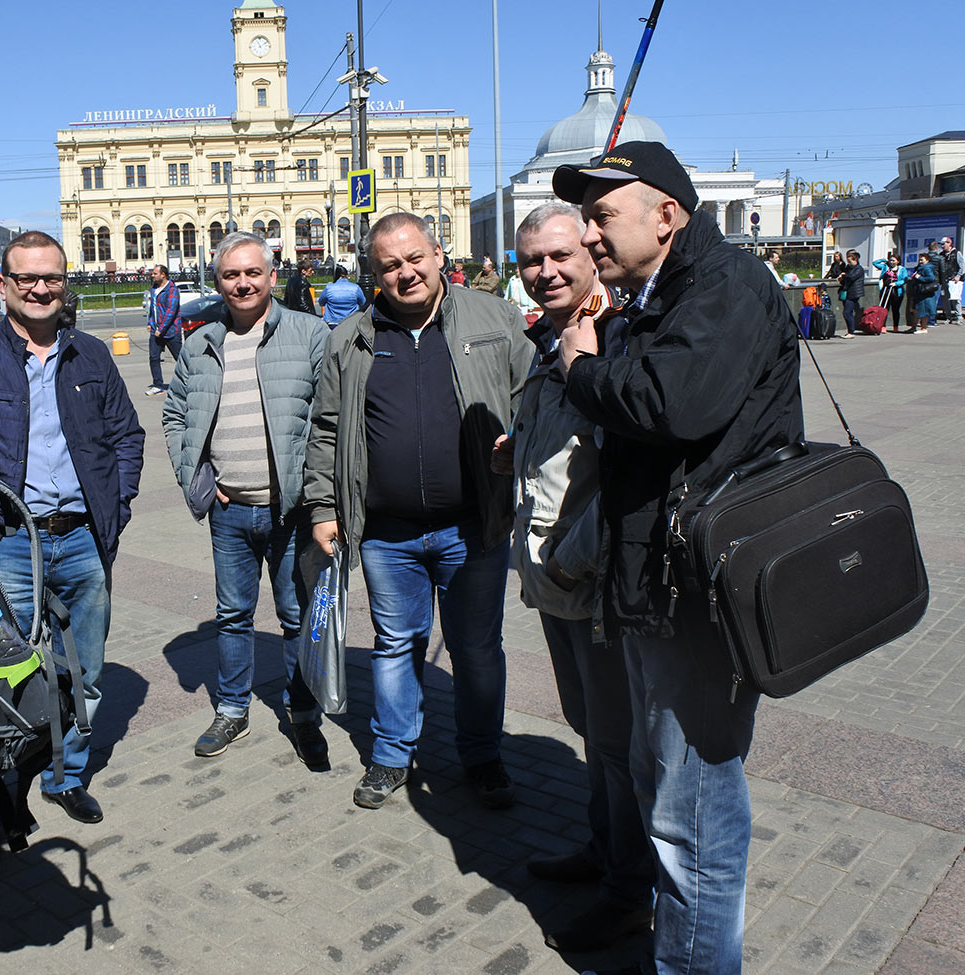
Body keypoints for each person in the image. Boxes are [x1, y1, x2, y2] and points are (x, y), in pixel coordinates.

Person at [552, 140, 803, 974]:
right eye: (585, 217)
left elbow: (669, 404)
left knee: (692, 815)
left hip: (699, 594)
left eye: (600, 216)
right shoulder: (661, 293)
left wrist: (584, 367)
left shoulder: (725, 284)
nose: (589, 236)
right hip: (660, 583)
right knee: (669, 790)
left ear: (666, 215)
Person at [0, 230, 144, 873]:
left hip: (82, 539)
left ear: (64, 281)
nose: (41, 289)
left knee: (82, 671)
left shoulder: (92, 355)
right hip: (5, 543)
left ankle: (65, 777)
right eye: (27, 279)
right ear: (5, 285)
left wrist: (117, 505)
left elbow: (127, 436)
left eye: (51, 278)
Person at [303, 212, 531, 810]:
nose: (405, 274)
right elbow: (326, 430)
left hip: (472, 526)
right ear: (372, 274)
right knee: (395, 644)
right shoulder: (350, 337)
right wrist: (324, 507)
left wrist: (521, 452)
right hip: (386, 532)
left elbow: (531, 399)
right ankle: (391, 755)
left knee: (477, 648)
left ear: (438, 253)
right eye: (389, 266)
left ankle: (482, 756)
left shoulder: (494, 319)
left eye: (414, 259)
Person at [495, 201, 656, 953]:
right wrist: (516, 446)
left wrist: (572, 556)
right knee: (593, 731)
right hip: (553, 577)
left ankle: (630, 891)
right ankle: (605, 851)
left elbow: (629, 469)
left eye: (561, 256)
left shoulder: (616, 337)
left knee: (620, 746)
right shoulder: (550, 337)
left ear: (593, 252)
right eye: (533, 261)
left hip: (591, 580)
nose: (546, 271)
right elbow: (565, 443)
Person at [162, 231, 330, 764]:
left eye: (252, 272)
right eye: (231, 274)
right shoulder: (200, 343)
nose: (243, 282)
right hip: (230, 511)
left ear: (272, 277)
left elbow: (331, 418)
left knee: (297, 616)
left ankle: (303, 713)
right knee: (232, 615)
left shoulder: (309, 333)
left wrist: (319, 494)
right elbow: (173, 416)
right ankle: (232, 710)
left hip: (291, 510)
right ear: (218, 281)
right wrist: (200, 480)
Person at [144, 263, 182, 395]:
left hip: (170, 331)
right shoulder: (154, 288)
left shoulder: (172, 290)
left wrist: (161, 328)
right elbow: (152, 308)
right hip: (156, 331)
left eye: (155, 273)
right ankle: (157, 384)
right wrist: (150, 322)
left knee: (180, 358)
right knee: (154, 358)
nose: (152, 275)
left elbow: (171, 311)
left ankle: (189, 382)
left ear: (163, 275)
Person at [873, 254, 907, 332]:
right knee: (884, 309)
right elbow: (874, 263)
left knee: (895, 309)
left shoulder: (902, 269)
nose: (891, 262)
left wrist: (896, 284)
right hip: (885, 290)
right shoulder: (885, 267)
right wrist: (883, 260)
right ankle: (882, 326)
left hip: (896, 291)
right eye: (890, 260)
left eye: (893, 260)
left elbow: (905, 279)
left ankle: (895, 326)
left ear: (898, 261)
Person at [838, 249, 866, 337]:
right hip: (847, 292)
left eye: (850, 261)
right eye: (847, 260)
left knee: (847, 312)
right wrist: (841, 278)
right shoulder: (848, 268)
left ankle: (851, 332)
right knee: (848, 312)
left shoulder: (859, 269)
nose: (848, 262)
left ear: (855, 260)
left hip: (854, 293)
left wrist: (843, 276)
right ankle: (850, 331)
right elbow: (846, 279)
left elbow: (851, 277)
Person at [909, 253, 938, 332]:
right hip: (919, 292)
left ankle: (923, 328)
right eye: (919, 260)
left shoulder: (927, 268)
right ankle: (914, 327)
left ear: (927, 260)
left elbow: (931, 278)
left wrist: (920, 278)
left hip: (924, 293)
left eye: (922, 260)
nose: (920, 261)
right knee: (917, 310)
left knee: (924, 311)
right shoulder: (920, 268)